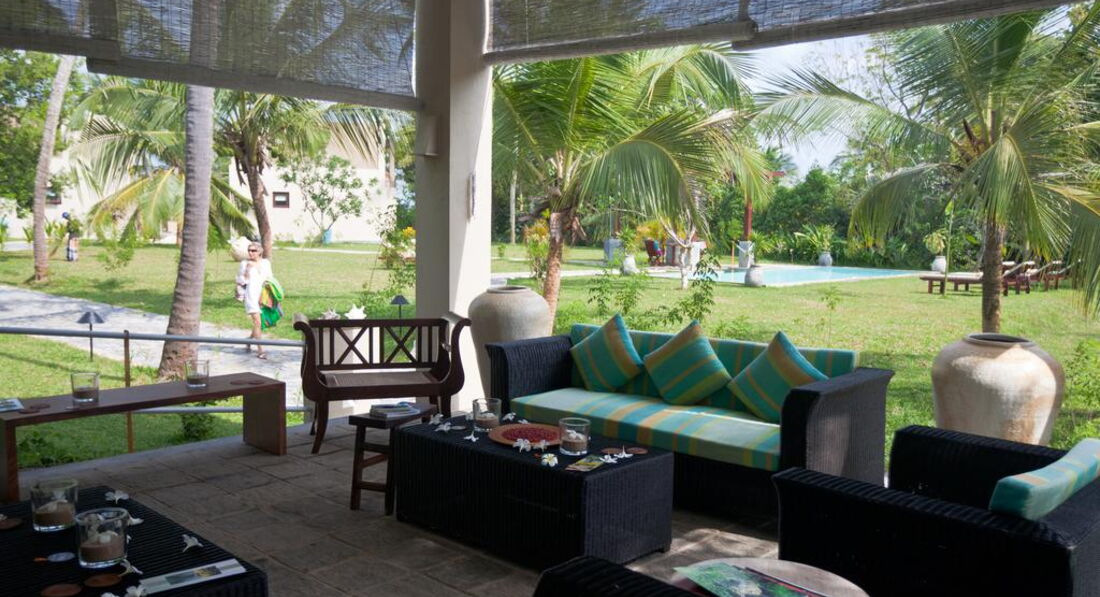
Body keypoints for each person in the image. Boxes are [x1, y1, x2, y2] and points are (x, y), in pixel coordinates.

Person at [236, 241, 272, 359]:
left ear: (260, 251)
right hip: (250, 296)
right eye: (249, 250)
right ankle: (260, 351)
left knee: (258, 323)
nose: (250, 253)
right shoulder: (244, 263)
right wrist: (247, 270)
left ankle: (249, 340)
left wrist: (268, 296)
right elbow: (241, 281)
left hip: (262, 296)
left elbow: (270, 278)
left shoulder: (266, 263)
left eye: (253, 250)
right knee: (257, 322)